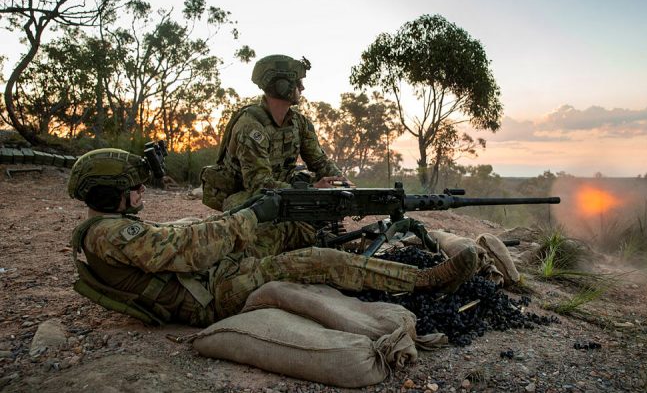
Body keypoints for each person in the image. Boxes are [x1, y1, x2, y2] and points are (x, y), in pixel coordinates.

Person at [68, 148, 478, 327]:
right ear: (110, 192)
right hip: (212, 296)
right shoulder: (111, 235)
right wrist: (249, 216)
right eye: (133, 187)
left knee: (291, 227)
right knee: (316, 260)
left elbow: (182, 239)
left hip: (209, 276)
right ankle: (425, 281)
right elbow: (190, 251)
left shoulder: (109, 229)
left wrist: (262, 217)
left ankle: (359, 264)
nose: (141, 193)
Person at [201, 54, 351, 256]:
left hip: (283, 190)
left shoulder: (299, 123)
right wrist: (310, 191)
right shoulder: (250, 127)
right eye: (298, 82)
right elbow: (259, 183)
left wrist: (342, 183)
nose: (303, 88)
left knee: (318, 189)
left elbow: (319, 161)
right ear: (281, 85)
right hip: (248, 196)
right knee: (261, 222)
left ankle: (318, 235)